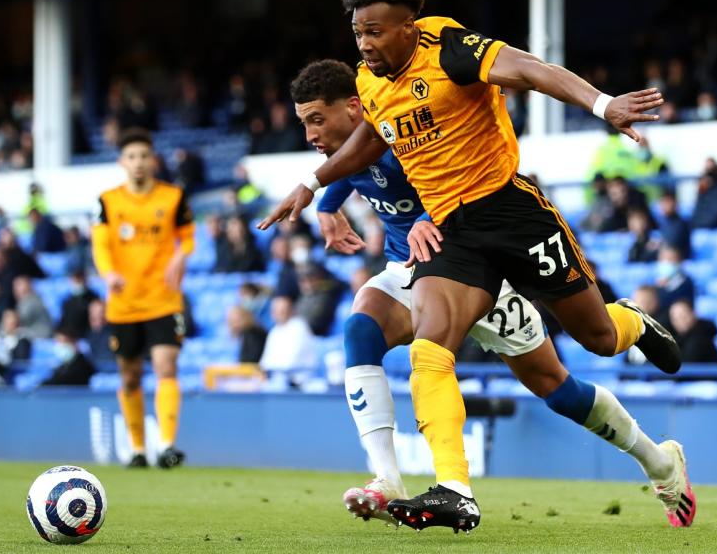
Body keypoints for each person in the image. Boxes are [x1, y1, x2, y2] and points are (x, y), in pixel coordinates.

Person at [283, 55, 691, 529]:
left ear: (355, 108)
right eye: (304, 123)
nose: (311, 134)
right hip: (414, 272)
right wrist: (325, 205)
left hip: (476, 266)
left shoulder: (406, 131)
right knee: (361, 329)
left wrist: (427, 217)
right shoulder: (349, 149)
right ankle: (388, 480)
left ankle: (657, 458)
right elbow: (347, 169)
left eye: (317, 119)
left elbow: (459, 179)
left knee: (557, 387)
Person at [92, 127, 195, 469]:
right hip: (123, 304)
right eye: (132, 156)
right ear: (123, 161)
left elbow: (188, 237)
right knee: (130, 376)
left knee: (167, 366)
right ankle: (137, 449)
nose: (138, 163)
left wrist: (182, 255)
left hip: (163, 300)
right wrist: (108, 274)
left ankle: (167, 445)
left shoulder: (173, 197)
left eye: (144, 156)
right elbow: (100, 245)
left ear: (153, 161)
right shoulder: (108, 201)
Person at [668, 300, 717, 365]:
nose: (680, 321)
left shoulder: (701, 337)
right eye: (675, 318)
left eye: (683, 316)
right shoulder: (679, 338)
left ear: (693, 314)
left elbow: (683, 366)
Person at [690, 158, 717, 229]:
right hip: (703, 224)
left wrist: (701, 224)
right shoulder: (703, 191)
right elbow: (698, 209)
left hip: (713, 225)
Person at [656, 246, 695, 310]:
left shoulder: (686, 283)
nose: (666, 262)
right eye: (663, 259)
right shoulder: (658, 282)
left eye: (671, 259)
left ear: (679, 261)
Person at [656, 190, 691, 258]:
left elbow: (673, 246)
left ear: (675, 203)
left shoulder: (681, 224)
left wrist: (658, 245)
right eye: (662, 202)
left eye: (667, 201)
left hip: (677, 260)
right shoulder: (664, 223)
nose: (664, 205)